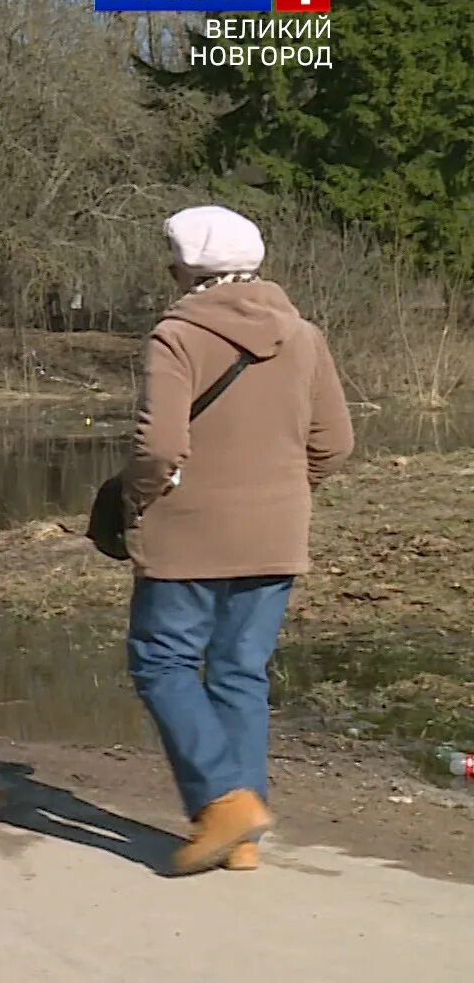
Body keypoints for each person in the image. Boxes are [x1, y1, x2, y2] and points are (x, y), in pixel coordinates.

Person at [118, 204, 353, 876]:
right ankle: (242, 837)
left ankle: (224, 802)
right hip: (277, 531)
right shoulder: (304, 336)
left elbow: (160, 446)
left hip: (187, 535)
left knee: (161, 663)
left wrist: (138, 500)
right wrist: (283, 490)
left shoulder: (177, 335)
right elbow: (335, 444)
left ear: (185, 269)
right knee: (239, 672)